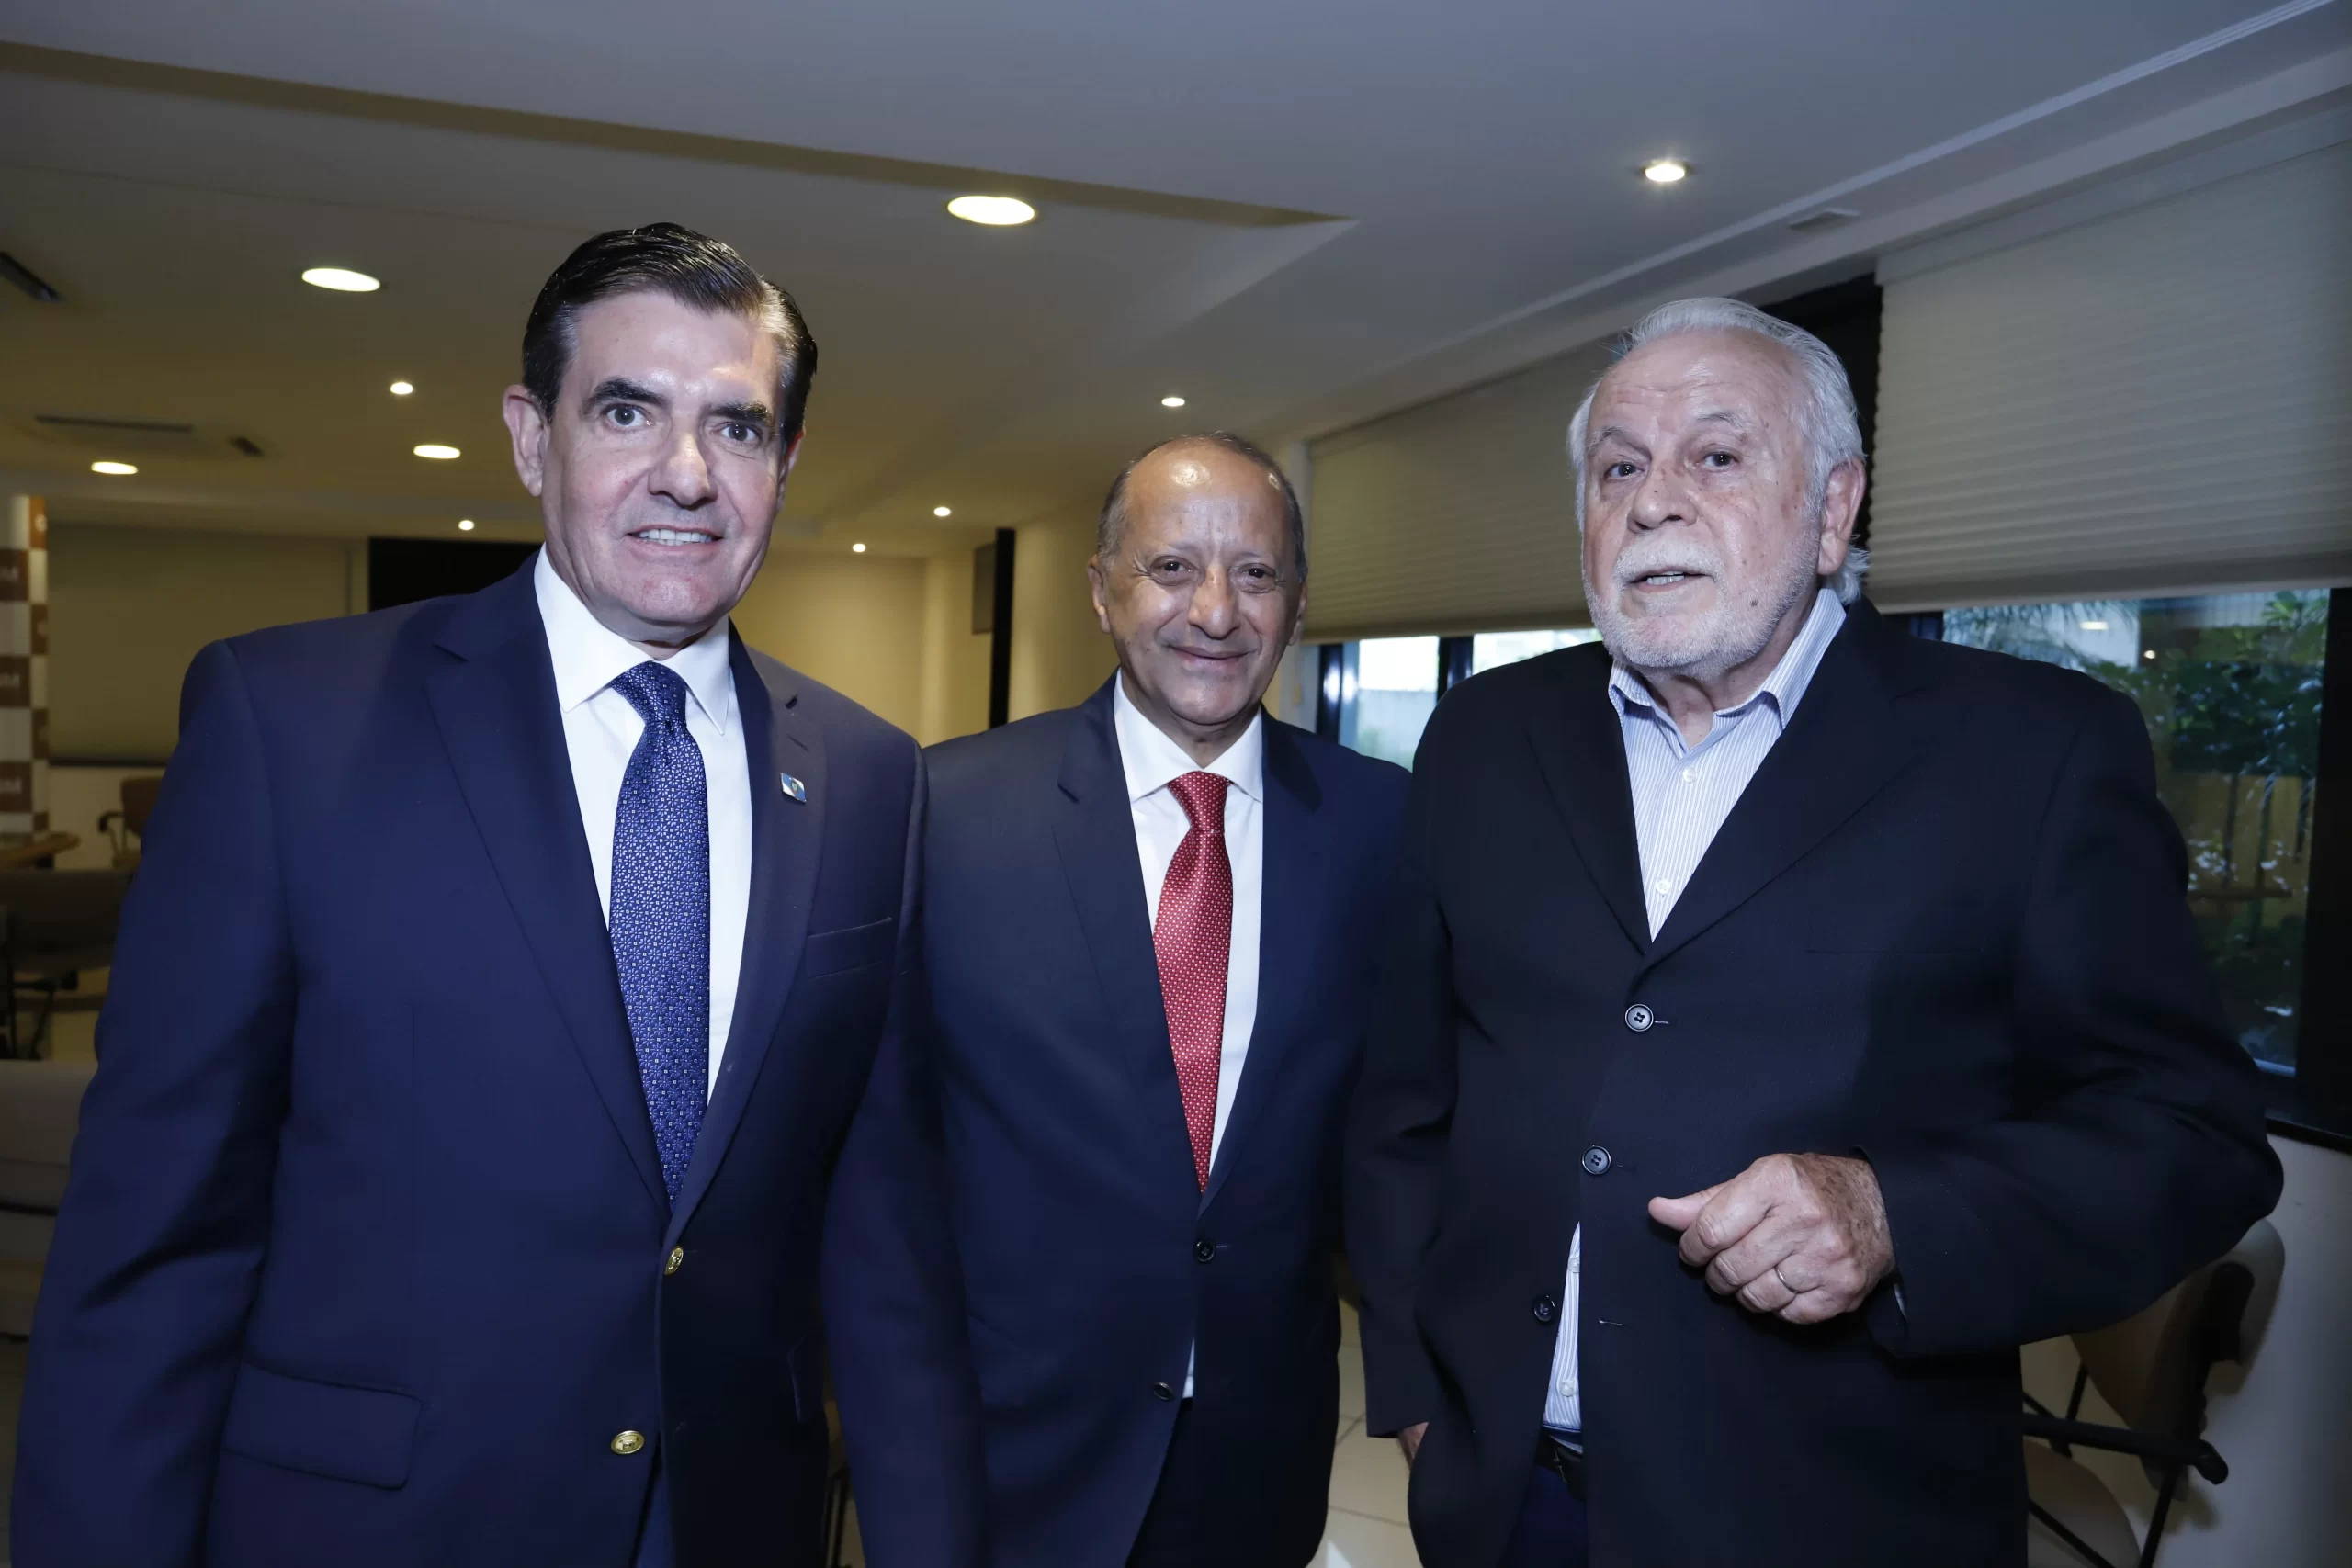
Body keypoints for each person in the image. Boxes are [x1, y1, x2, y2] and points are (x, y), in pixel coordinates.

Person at [14, 224, 981, 1568]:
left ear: (785, 462)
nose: (687, 473)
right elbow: (155, 1238)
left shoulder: (873, 778)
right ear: (533, 438)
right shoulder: (289, 723)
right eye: (628, 411)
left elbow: (883, 1243)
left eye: (737, 427)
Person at [1345, 297, 2283, 1567]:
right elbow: (1405, 1098)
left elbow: (2193, 1137)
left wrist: (1897, 1211)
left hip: (1836, 1516)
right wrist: (1415, 1391)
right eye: (1618, 468)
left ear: (1835, 508)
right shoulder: (1483, 735)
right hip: (1507, 1504)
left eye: (1716, 455)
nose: (1653, 501)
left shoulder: (2031, 753)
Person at [922, 434, 1408, 1567]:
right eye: (1172, 567)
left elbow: (1400, 1124)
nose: (1216, 611)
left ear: (1297, 604)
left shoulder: (1381, 824)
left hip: (1260, 1444)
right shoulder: (948, 812)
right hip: (1013, 1439)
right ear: (1101, 590)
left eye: (1256, 573)